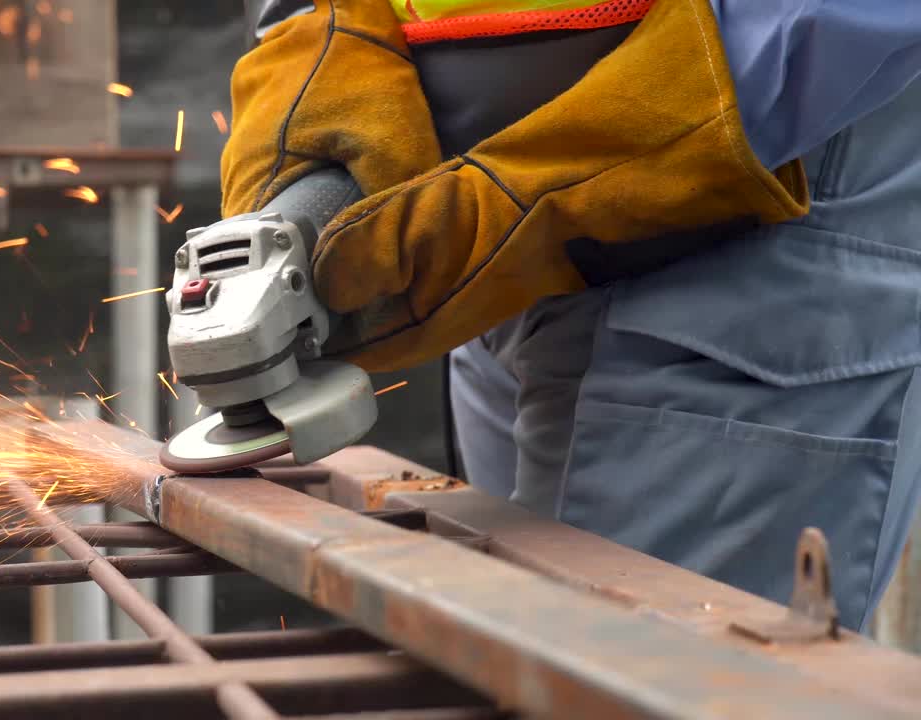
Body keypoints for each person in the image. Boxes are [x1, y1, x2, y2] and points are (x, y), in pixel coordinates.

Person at [222, 0, 921, 631]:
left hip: (762, 172)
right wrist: (309, 34)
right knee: (510, 648)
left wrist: (681, 108)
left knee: (630, 667)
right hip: (479, 195)